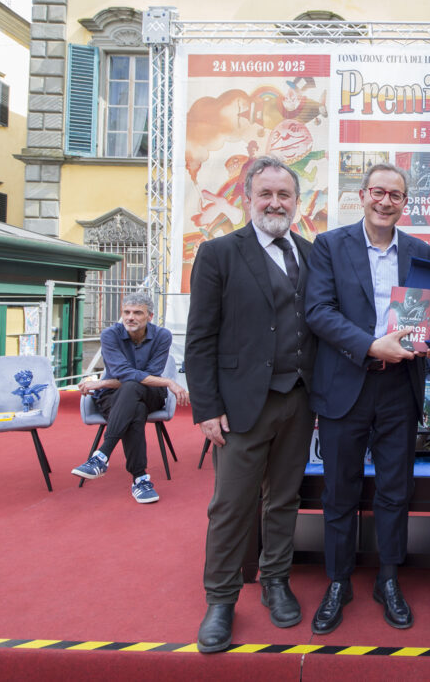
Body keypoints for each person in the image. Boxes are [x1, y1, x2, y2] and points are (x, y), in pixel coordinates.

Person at [185, 156, 317, 653]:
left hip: (300, 401)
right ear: (248, 197)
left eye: (284, 195)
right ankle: (220, 600)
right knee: (230, 506)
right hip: (240, 406)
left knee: (283, 500)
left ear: (296, 202)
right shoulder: (219, 253)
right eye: (266, 194)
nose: (275, 203)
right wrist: (205, 407)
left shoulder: (308, 252)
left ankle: (276, 581)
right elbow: (200, 338)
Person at [305, 163, 430, 635]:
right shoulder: (329, 245)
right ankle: (338, 581)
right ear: (361, 195)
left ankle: (388, 577)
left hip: (400, 387)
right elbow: (318, 310)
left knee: (394, 490)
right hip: (345, 383)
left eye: (395, 195)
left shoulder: (421, 252)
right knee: (339, 491)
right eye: (377, 192)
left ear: (405, 202)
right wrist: (368, 344)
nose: (385, 201)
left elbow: (426, 317)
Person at [72, 291, 189, 504]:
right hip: (115, 398)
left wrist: (103, 382)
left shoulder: (162, 335)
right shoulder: (110, 334)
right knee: (135, 408)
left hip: (151, 395)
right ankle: (140, 479)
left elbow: (144, 376)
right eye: (126, 312)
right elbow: (125, 374)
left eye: (137, 313)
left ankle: (102, 456)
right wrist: (168, 381)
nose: (130, 317)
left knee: (134, 387)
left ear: (150, 316)